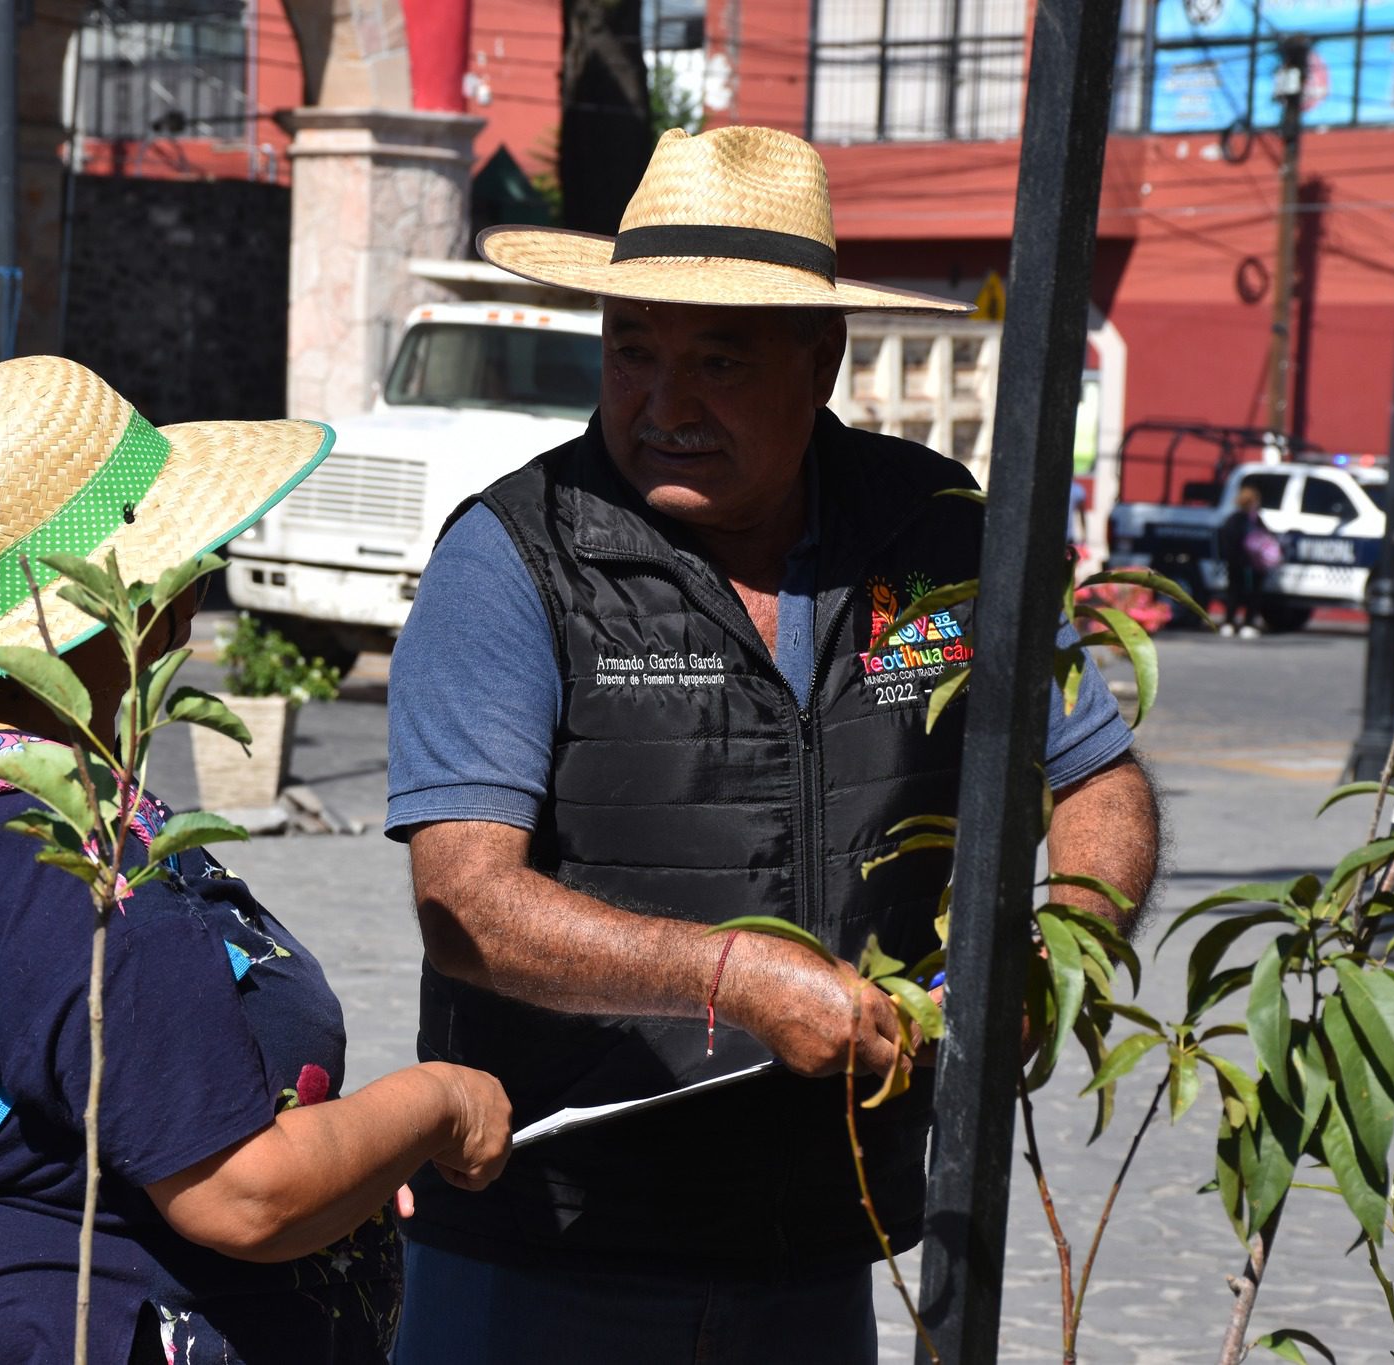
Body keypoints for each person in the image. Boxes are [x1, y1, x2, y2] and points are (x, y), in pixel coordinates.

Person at [384, 127, 1161, 1364]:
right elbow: (465, 903)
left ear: (822, 361)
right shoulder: (514, 555)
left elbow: (1094, 779)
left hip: (815, 1248)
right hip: (547, 1246)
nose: (663, 403)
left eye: (718, 361)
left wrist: (1052, 945)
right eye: (631, 351)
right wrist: (728, 978)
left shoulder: (932, 535)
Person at [0, 356, 511, 1364]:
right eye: (184, 572)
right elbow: (245, 1194)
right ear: (132, 608)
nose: (195, 600)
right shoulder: (68, 861)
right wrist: (437, 1101)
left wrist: (348, 1159)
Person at [1217, 484, 1271, 638]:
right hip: (1252, 563)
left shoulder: (1233, 519)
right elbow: (1266, 537)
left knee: (1233, 592)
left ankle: (1229, 622)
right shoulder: (1253, 520)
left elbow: (1226, 541)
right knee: (1252, 594)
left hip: (1236, 562)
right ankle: (1247, 623)